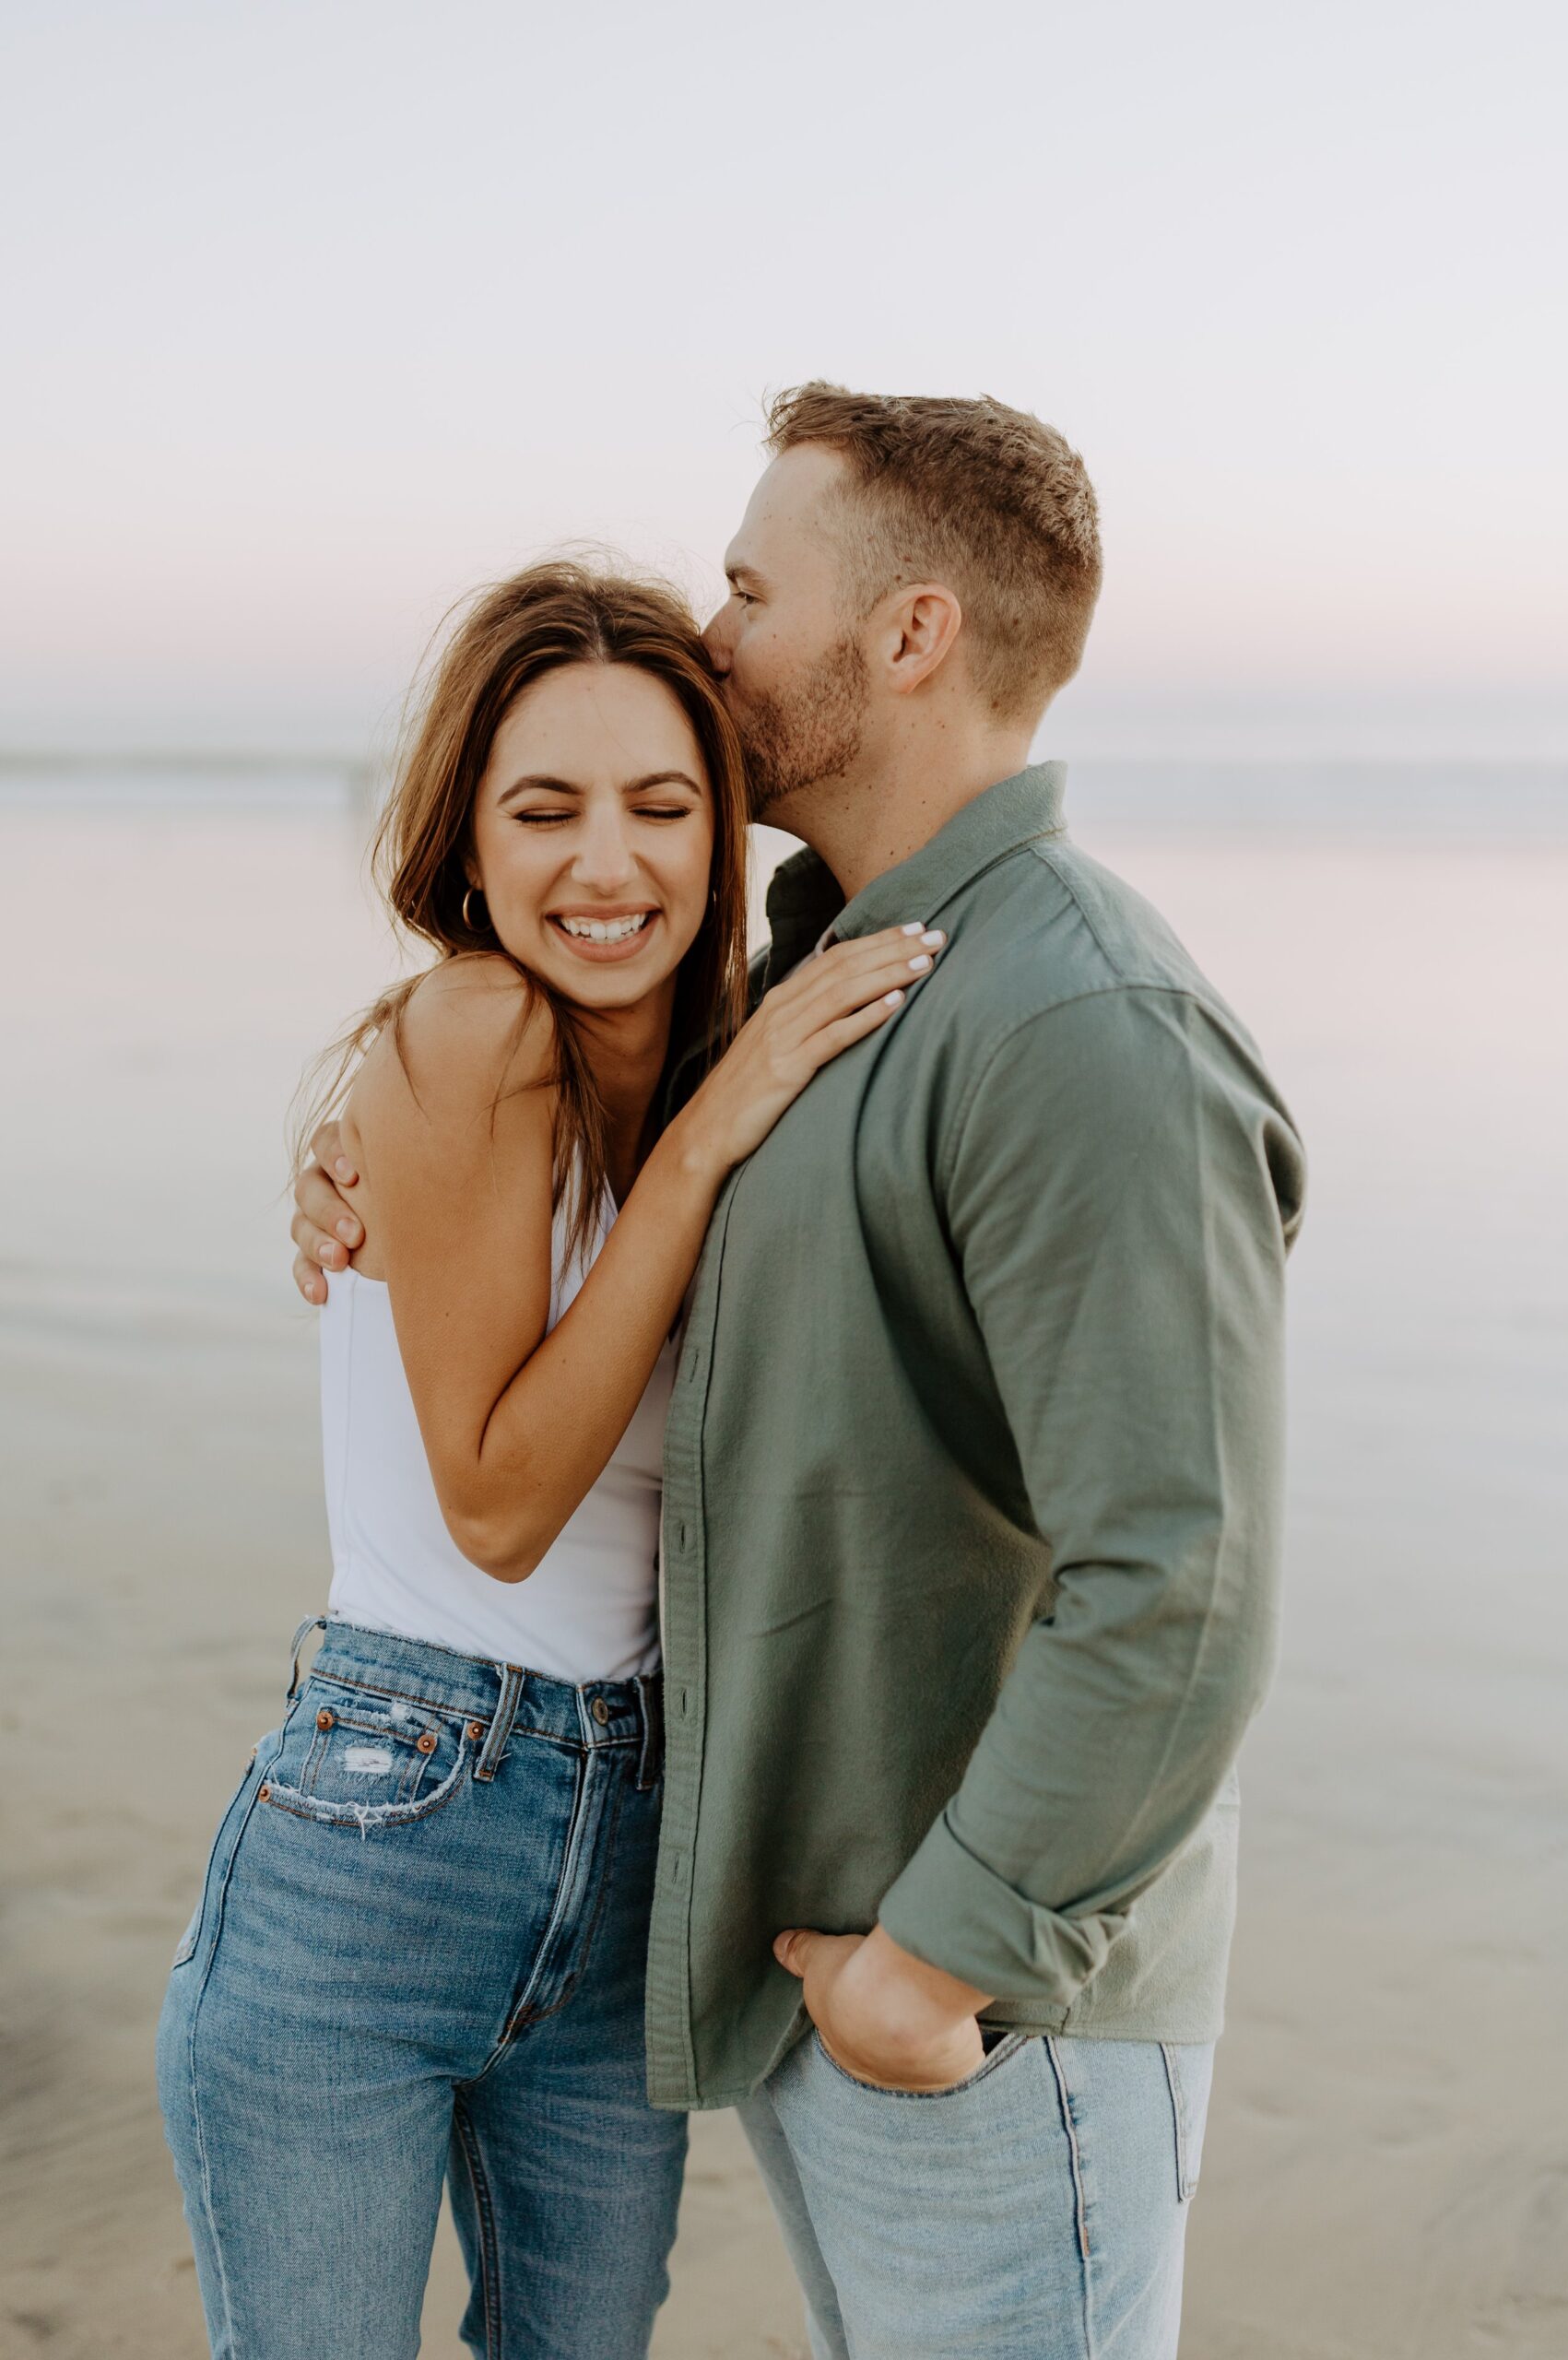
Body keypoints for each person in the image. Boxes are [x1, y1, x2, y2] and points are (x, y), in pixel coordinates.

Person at [292, 386, 1308, 2360]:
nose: (717, 634)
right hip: (826, 1970)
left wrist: (934, 1961)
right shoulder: (836, 978)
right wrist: (366, 1145)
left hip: (982, 2010)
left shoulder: (1072, 1015)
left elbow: (1179, 1573)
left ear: (907, 633)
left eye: (753, 589)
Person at [158, 559, 945, 2360]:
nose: (609, 863)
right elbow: (501, 1507)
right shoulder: (474, 1027)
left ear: (722, 827)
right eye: (546, 808)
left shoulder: (701, 1069)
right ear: (470, 841)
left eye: (664, 806)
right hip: (387, 1822)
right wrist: (708, 1144)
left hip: (638, 1852)